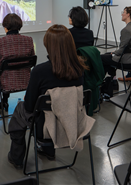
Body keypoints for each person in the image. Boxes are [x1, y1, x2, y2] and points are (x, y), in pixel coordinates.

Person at [7, 24, 88, 169]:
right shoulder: (79, 68)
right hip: (73, 123)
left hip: (45, 129)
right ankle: (48, 151)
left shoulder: (39, 71)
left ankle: (16, 156)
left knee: (20, 110)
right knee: (51, 107)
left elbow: (30, 106)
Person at [0, 13, 35, 115]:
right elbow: (31, 61)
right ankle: (4, 102)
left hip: (6, 83)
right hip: (26, 81)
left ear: (5, 27)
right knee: (3, 73)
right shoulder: (28, 40)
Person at [101, 7, 131, 82]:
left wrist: (114, 52)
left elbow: (121, 50)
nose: (122, 14)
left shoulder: (126, 30)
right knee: (108, 55)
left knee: (102, 58)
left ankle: (109, 81)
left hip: (128, 62)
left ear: (128, 15)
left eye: (123, 12)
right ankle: (112, 80)